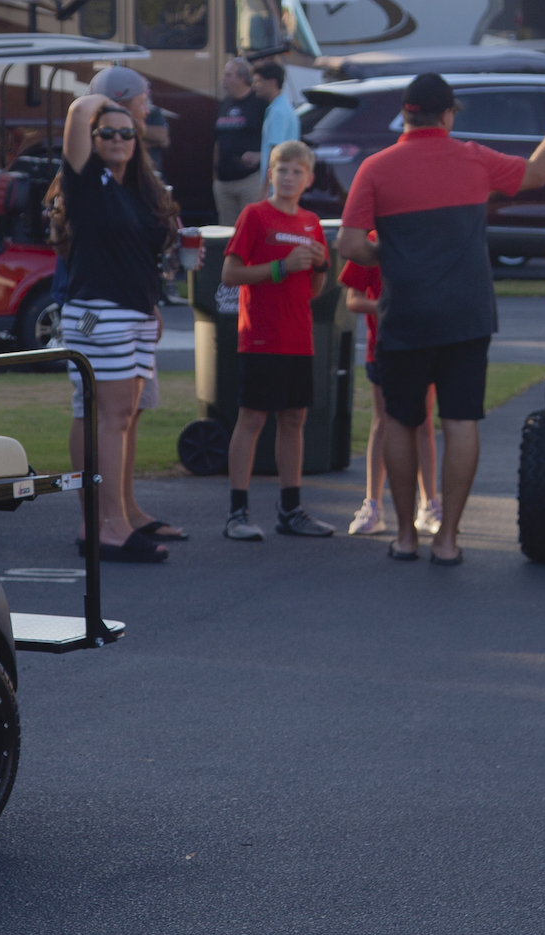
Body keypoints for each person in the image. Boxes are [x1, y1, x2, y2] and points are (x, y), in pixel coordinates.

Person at [337, 73, 545, 563]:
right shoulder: (473, 158)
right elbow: (536, 173)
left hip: (404, 314)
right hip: (466, 315)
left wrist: (390, 255)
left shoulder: (376, 168)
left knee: (402, 421)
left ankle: (405, 536)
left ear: (405, 114)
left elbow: (349, 245)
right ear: (447, 114)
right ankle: (447, 539)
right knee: (461, 420)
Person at [51, 86, 198, 561]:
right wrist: (107, 101)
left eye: (126, 133)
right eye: (107, 133)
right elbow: (77, 112)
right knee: (104, 417)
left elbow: (133, 256)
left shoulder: (132, 188)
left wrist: (149, 304)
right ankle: (104, 525)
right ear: (92, 141)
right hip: (100, 313)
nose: (117, 139)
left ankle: (121, 515)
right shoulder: (83, 179)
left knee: (121, 417)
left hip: (131, 312)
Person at [217, 139, 334, 539]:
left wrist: (319, 266)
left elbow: (314, 289)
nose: (288, 177)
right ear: (270, 175)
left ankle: (291, 508)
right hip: (261, 335)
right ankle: (237, 512)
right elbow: (230, 274)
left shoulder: (311, 223)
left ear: (308, 179)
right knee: (251, 418)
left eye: (296, 171)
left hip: (298, 336)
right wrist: (280, 268)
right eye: (281, 170)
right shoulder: (255, 215)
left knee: (295, 419)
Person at [339, 259, 443, 538]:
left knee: (423, 423)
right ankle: (373, 506)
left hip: (423, 346)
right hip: (383, 347)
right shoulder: (372, 243)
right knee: (383, 422)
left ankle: (429, 505)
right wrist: (385, 306)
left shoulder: (425, 239)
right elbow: (353, 299)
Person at [211, 56, 265, 223]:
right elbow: (218, 141)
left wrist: (260, 156)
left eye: (228, 75)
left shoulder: (259, 103)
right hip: (224, 183)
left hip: (248, 181)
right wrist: (215, 177)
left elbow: (272, 140)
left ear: (242, 78)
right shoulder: (225, 103)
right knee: (227, 236)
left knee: (250, 229)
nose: (223, 79)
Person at [256, 58, 301, 160]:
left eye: (258, 81)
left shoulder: (277, 112)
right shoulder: (284, 107)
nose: (255, 86)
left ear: (272, 82)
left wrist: (269, 176)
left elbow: (275, 153)